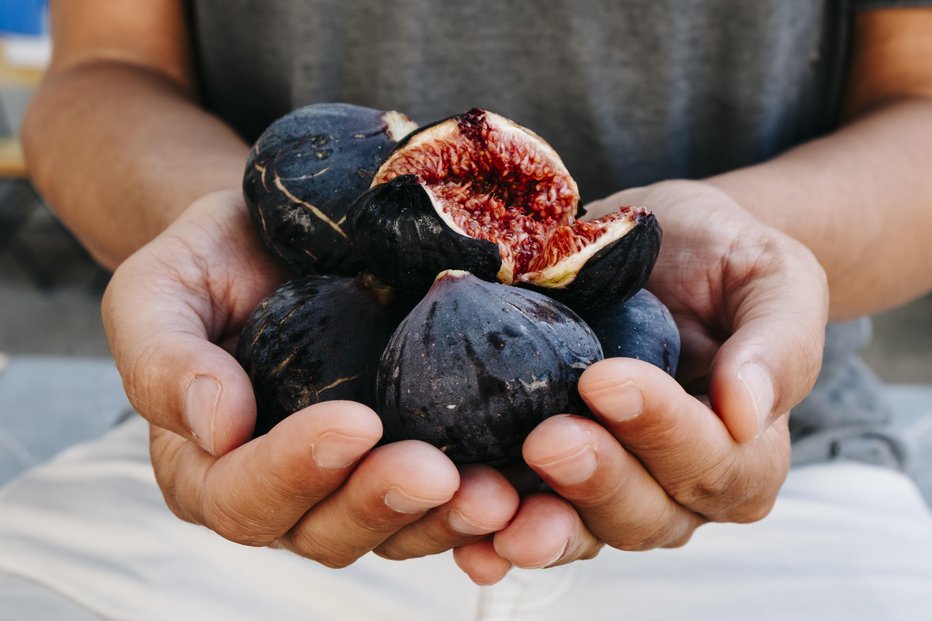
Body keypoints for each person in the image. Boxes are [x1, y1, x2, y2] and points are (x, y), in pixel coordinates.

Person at [1, 0, 931, 618]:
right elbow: (105, 66)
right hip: (259, 413)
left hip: (756, 443)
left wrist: (752, 253)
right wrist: (247, 225)